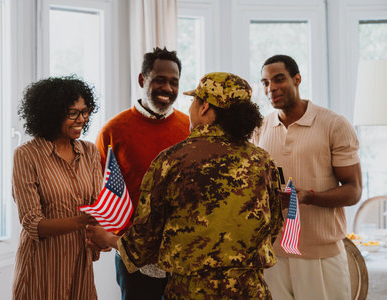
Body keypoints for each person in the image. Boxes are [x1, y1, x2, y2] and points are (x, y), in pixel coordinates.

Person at [88, 72, 284, 299]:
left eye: (193, 101)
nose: (190, 108)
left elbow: (143, 242)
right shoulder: (263, 161)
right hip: (251, 291)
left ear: (204, 107)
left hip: (191, 292)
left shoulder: (172, 160)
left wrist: (107, 238)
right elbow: (273, 225)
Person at [252, 54, 362, 300]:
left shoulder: (333, 124)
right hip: (273, 254)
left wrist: (308, 197)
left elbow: (354, 190)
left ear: (297, 79)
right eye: (266, 83)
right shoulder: (259, 128)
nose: (272, 88)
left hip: (320, 255)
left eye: (279, 79)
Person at [95, 47, 190, 299]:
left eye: (174, 82)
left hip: (184, 252)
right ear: (142, 80)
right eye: (160, 79)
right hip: (133, 255)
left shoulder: (192, 127)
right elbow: (97, 188)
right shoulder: (112, 131)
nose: (168, 88)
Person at [12, 76, 103, 300]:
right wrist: (83, 221)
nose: (81, 119)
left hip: (80, 266)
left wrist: (102, 235)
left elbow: (98, 206)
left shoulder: (90, 152)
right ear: (51, 114)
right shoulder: (26, 155)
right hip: (42, 268)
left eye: (85, 111)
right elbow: (33, 224)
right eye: (73, 113)